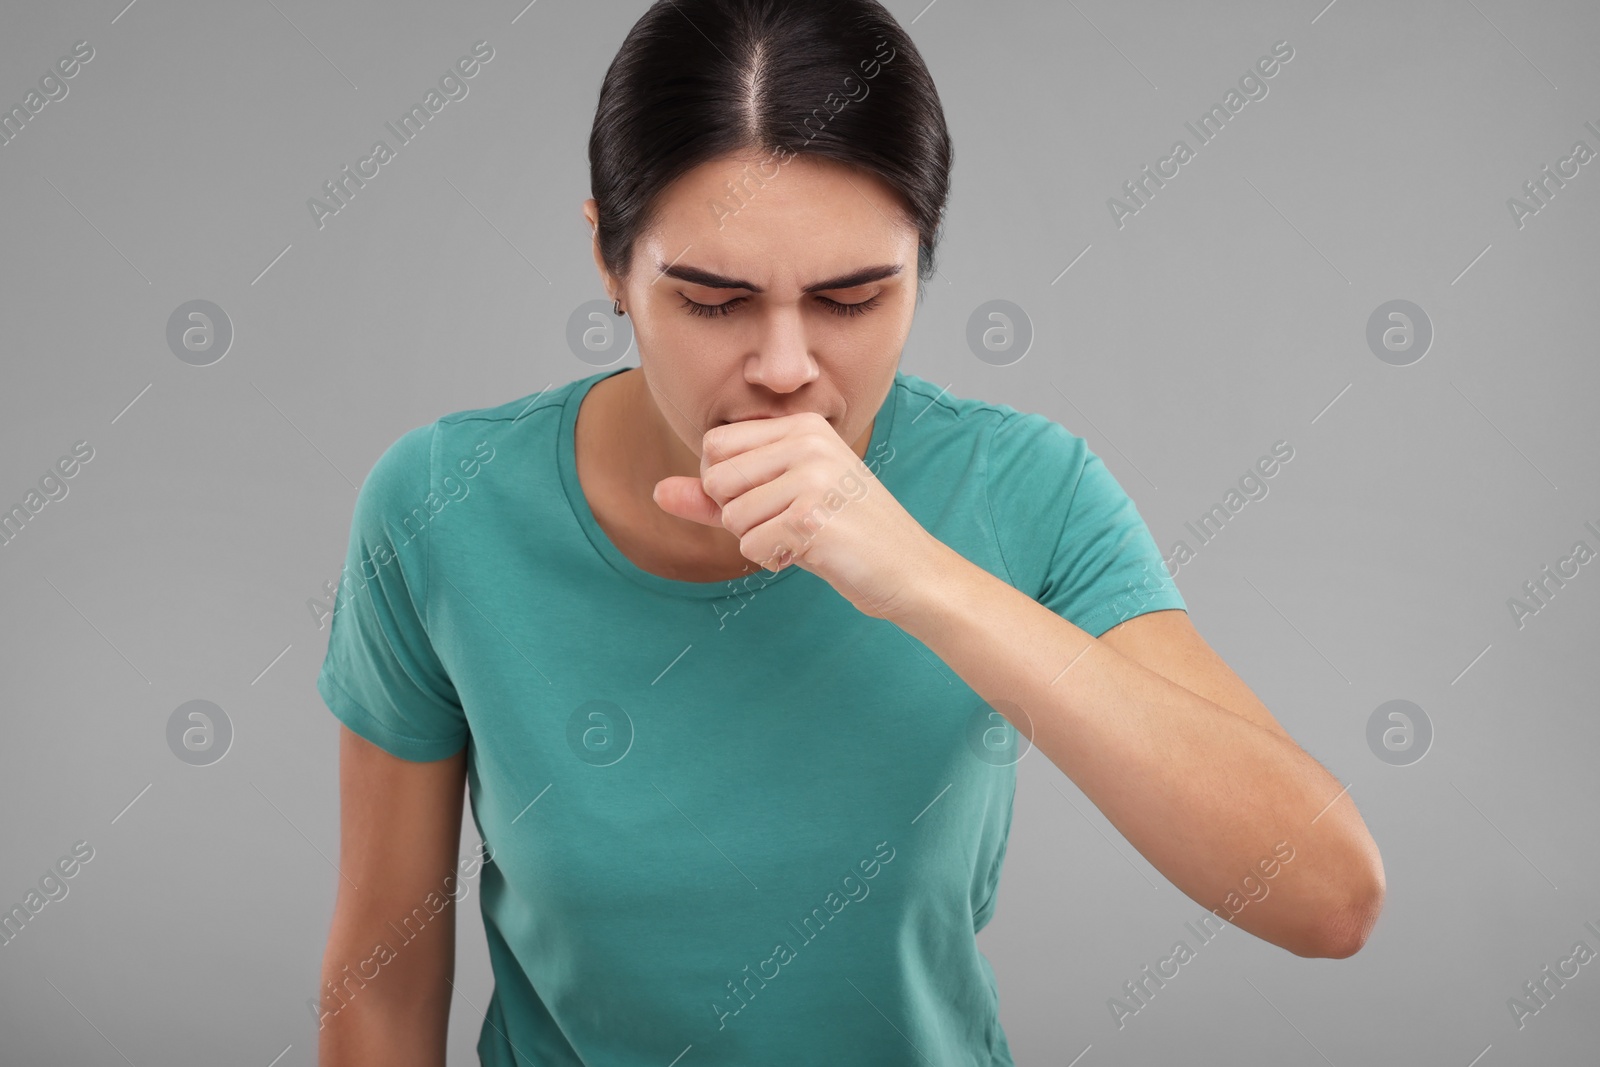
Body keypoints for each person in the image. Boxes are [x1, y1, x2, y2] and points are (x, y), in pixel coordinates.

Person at [314, 1, 1385, 1063]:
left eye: (851, 298)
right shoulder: (440, 506)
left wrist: (917, 572)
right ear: (609, 259)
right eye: (713, 301)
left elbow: (1327, 896)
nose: (785, 365)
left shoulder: (1028, 488)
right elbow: (381, 978)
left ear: (923, 262)